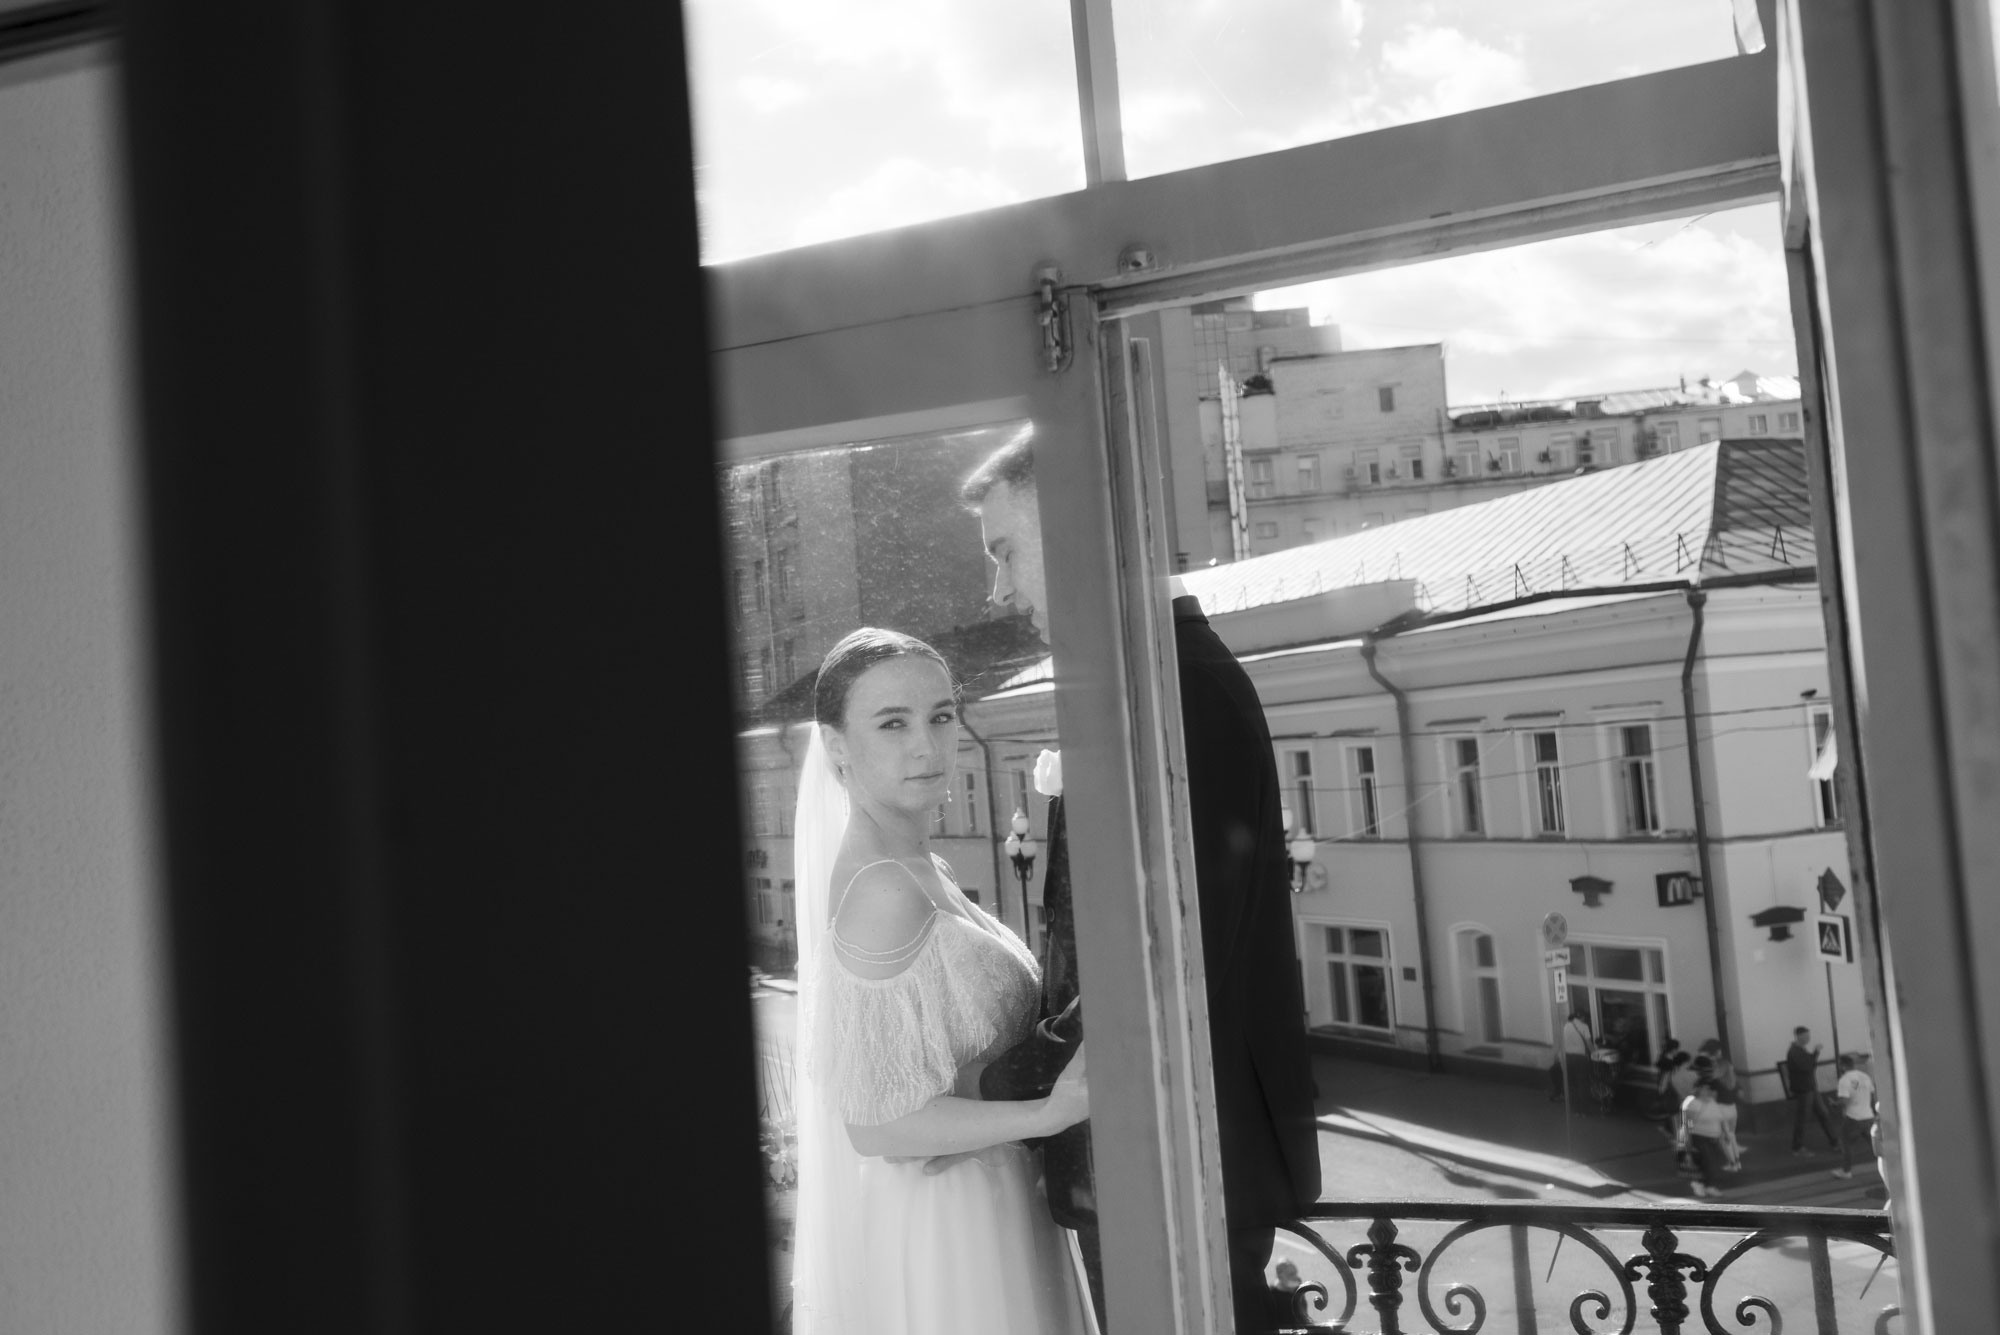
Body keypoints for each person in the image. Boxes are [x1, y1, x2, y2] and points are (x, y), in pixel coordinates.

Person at [961, 437, 1322, 1335]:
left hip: (1175, 1166)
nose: (997, 591)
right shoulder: (1151, 681)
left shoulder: (1180, 692)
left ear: (1081, 524)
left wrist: (990, 1087)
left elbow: (1161, 961)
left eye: (1005, 551)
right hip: (1156, 1159)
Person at [790, 628, 1092, 1335]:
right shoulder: (881, 891)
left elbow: (946, 1064)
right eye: (892, 723)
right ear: (837, 749)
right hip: (953, 1225)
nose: (925, 745)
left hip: (991, 1193)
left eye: (941, 715)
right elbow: (876, 1124)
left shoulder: (928, 869)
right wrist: (1047, 1114)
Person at [1785, 1026, 1840, 1155]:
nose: (1808, 1039)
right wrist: (1815, 1052)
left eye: (1808, 1036)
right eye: (1806, 1036)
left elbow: (1809, 1065)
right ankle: (1797, 1147)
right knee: (1803, 1118)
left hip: (1810, 1088)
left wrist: (1813, 1055)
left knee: (1823, 1114)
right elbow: (1807, 1066)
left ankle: (1834, 1141)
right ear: (1798, 1036)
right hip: (1804, 1089)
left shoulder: (1799, 1050)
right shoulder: (1795, 1052)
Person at [1695, 1040, 1744, 1171]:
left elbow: (1708, 1093)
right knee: (1732, 1135)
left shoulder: (1713, 1078)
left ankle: (1732, 1164)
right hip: (1732, 1107)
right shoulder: (1728, 1068)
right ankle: (1738, 1162)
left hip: (1721, 1109)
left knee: (1724, 1137)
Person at [1678, 1078, 1728, 1198]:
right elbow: (1688, 1122)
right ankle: (1703, 1185)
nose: (1708, 1090)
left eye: (1708, 1088)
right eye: (1704, 1088)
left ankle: (1703, 1184)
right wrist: (1686, 1140)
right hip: (1699, 1137)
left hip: (1714, 1137)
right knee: (1708, 1162)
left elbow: (1720, 1118)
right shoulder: (1694, 1104)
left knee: (1711, 1163)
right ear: (1698, 1090)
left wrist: (1724, 1133)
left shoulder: (1711, 1101)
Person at [1831, 1053, 1877, 1180]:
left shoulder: (1844, 1080)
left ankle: (1846, 1171)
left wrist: (1835, 1103)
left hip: (1853, 1118)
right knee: (1875, 1144)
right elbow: (1872, 1095)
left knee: (1847, 1144)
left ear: (1842, 1066)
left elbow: (1844, 1101)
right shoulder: (1865, 1077)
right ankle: (1891, 1165)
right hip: (1868, 1116)